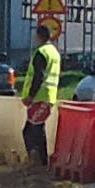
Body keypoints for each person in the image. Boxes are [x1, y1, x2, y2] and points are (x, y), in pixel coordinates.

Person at [19, 20, 65, 169]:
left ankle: (39, 161)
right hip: (47, 95)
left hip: (40, 96)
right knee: (34, 129)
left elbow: (38, 76)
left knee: (33, 130)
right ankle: (39, 160)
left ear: (39, 36)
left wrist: (30, 96)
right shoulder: (54, 52)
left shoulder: (41, 53)